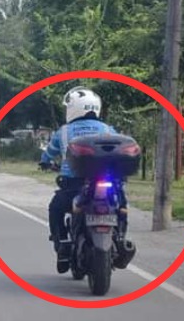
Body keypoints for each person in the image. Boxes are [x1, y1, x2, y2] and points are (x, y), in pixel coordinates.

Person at [43, 86, 128, 273]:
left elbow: (48, 154)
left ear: (74, 108)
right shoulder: (107, 129)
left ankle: (62, 245)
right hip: (108, 184)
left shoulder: (64, 132)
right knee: (122, 206)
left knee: (55, 208)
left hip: (75, 186)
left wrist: (45, 162)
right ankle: (122, 239)